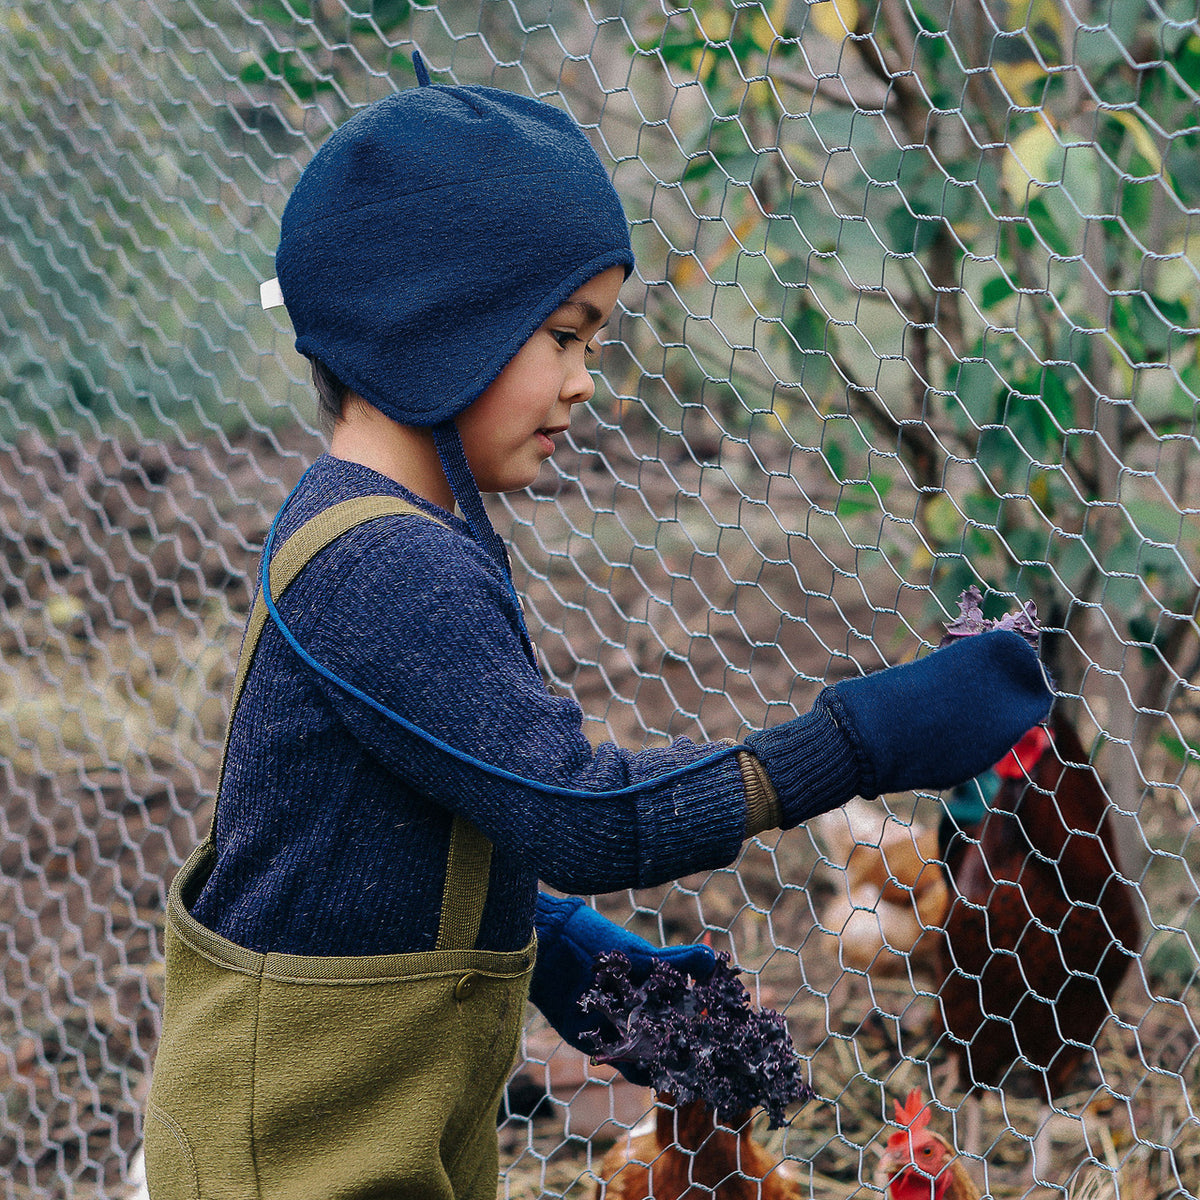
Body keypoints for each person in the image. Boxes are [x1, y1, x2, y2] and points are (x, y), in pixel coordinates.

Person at [143, 54, 1052, 1200]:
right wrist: (864, 739)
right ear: (437, 326)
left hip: (362, 1124)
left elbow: (413, 825)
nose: (586, 383)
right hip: (290, 1158)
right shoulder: (386, 564)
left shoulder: (395, 535)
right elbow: (580, 811)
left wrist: (569, 952)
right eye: (565, 335)